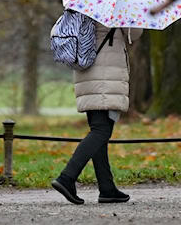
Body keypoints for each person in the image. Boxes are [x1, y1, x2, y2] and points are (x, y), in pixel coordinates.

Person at [51, 22, 140, 205]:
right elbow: (135, 35)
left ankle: (107, 188)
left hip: (87, 69)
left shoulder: (86, 4)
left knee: (99, 130)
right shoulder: (116, 5)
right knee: (101, 131)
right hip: (106, 75)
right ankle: (67, 177)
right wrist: (135, 16)